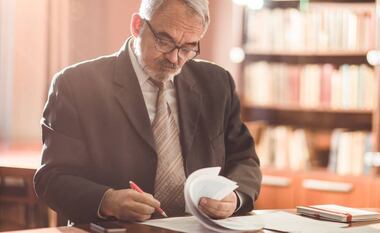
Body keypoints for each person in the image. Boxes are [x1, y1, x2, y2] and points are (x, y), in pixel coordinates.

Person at [34, 0, 261, 224]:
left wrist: (235, 197)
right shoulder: (76, 85)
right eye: (164, 41)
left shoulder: (216, 83)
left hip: (200, 228)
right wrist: (107, 200)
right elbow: (52, 178)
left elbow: (244, 159)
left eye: (188, 47)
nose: (174, 58)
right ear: (137, 25)